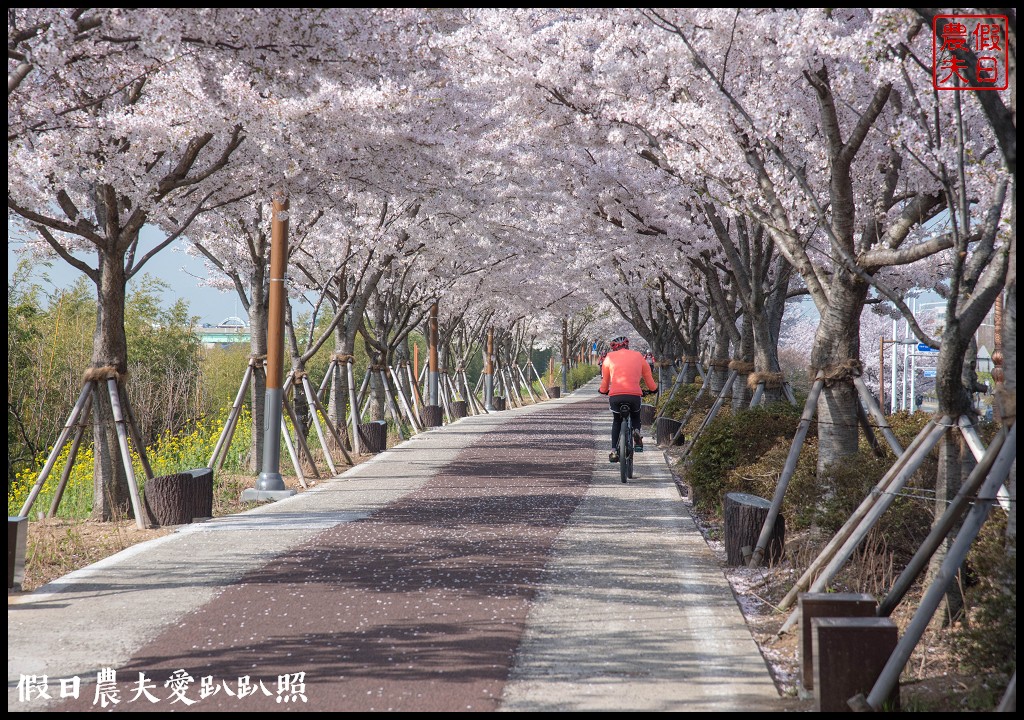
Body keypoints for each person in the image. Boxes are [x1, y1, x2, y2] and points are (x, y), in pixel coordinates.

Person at [599, 335, 658, 463]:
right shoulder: (638, 356)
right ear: (627, 345)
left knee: (616, 421)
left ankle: (614, 451)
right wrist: (653, 389)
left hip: (615, 395)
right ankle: (636, 432)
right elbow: (648, 377)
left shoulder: (609, 358)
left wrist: (603, 391)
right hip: (634, 395)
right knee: (636, 416)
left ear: (614, 348)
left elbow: (605, 381)